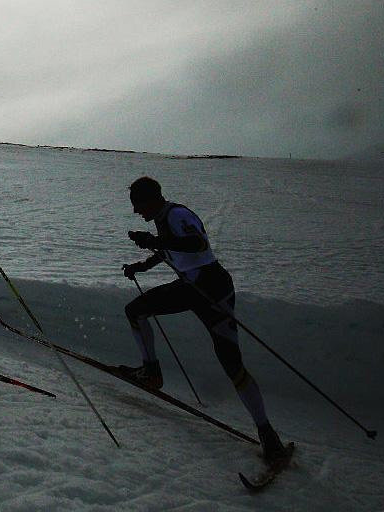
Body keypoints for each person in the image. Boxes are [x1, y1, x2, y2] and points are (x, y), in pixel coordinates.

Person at [120, 176, 288, 464]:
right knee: (136, 310)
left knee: (231, 363)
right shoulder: (165, 217)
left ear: (151, 200)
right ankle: (151, 371)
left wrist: (152, 241)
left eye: (138, 205)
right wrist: (142, 265)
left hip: (209, 290)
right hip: (198, 287)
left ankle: (267, 433)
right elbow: (170, 249)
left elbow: (196, 244)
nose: (137, 212)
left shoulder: (178, 214)